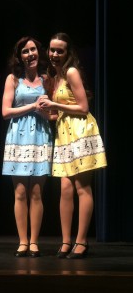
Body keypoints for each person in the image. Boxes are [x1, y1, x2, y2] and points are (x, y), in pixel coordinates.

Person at [40, 32, 107, 259]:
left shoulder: (71, 72)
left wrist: (54, 105)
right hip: (65, 134)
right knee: (65, 189)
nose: (55, 54)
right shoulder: (56, 77)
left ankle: (82, 241)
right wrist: (47, 112)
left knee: (82, 187)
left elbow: (83, 107)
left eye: (60, 50)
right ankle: (66, 241)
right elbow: (60, 112)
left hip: (80, 132)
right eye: (52, 50)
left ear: (68, 53)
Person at [2, 36, 53, 257]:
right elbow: (5, 112)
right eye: (25, 51)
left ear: (38, 53)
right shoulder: (13, 80)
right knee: (20, 192)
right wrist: (33, 105)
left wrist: (45, 112)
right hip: (18, 138)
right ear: (20, 57)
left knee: (36, 192)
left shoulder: (47, 79)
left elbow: (54, 113)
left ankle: (34, 242)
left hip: (41, 136)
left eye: (33, 49)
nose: (30, 54)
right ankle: (22, 241)